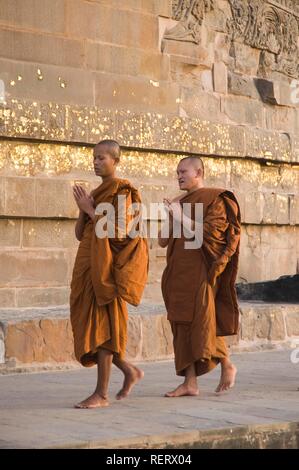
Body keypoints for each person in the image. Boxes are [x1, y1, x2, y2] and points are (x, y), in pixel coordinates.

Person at [70, 139, 149, 408]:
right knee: (93, 328)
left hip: (106, 270)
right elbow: (81, 234)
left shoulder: (121, 190)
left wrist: (90, 209)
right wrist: (84, 210)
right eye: (94, 157)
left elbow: (118, 231)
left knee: (105, 329)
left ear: (115, 161)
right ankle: (129, 371)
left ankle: (101, 394)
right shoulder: (96, 192)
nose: (95, 162)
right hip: (88, 266)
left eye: (102, 158)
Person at [159, 155, 241, 397]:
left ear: (199, 173)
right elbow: (163, 240)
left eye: (184, 171)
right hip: (177, 272)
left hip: (200, 271)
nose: (179, 176)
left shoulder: (215, 198)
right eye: (177, 172)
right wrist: (171, 215)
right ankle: (190, 382)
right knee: (181, 324)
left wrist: (181, 215)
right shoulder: (180, 202)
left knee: (202, 321)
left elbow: (211, 235)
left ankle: (227, 364)